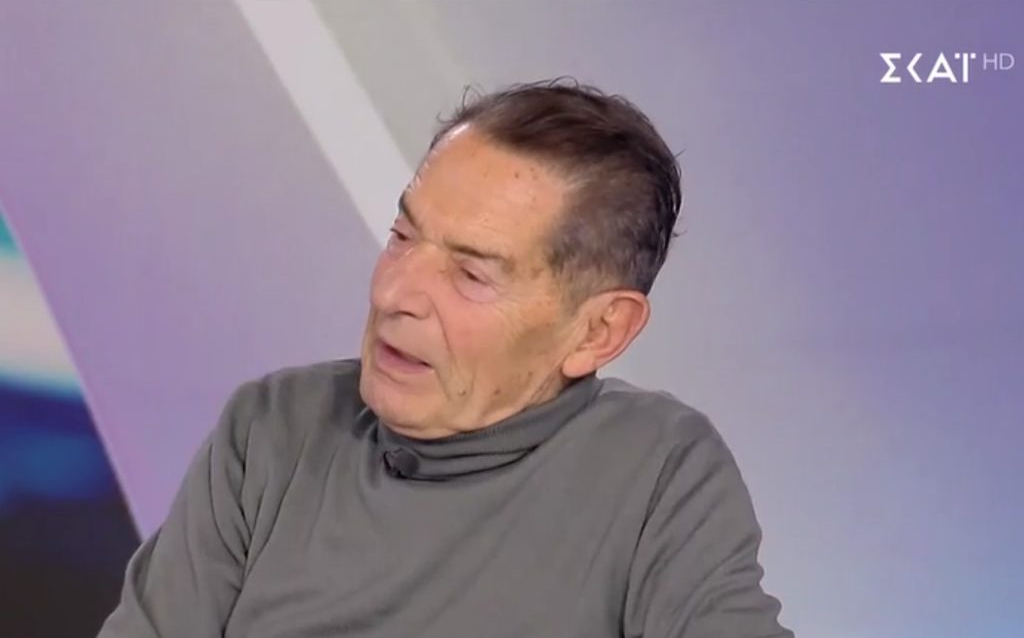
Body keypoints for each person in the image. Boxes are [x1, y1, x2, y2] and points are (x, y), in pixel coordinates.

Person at [98, 79, 793, 638]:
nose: (393, 293)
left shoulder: (658, 471)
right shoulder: (274, 428)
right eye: (402, 236)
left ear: (597, 332)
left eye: (471, 274)